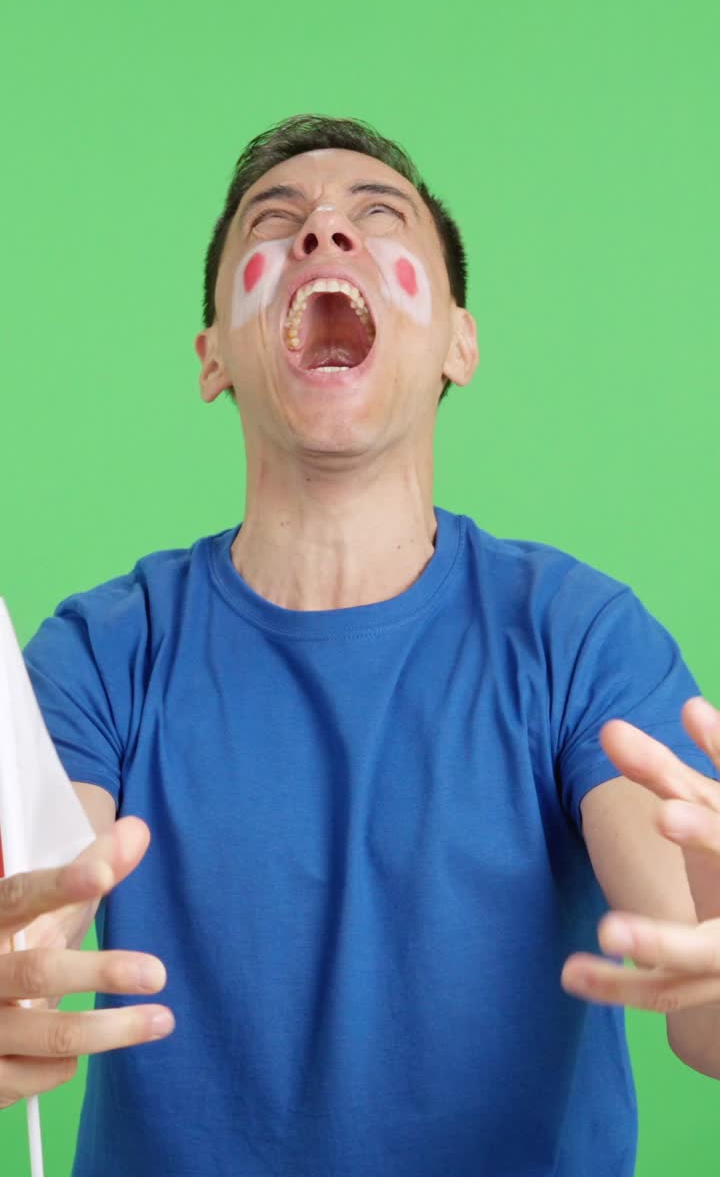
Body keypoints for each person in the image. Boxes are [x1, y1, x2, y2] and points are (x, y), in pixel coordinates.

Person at [2, 114, 720, 1177]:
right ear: (212, 356)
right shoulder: (105, 652)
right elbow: (30, 931)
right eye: (276, 219)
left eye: (376, 216)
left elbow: (703, 1003)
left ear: (460, 342)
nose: (324, 232)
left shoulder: (579, 637)